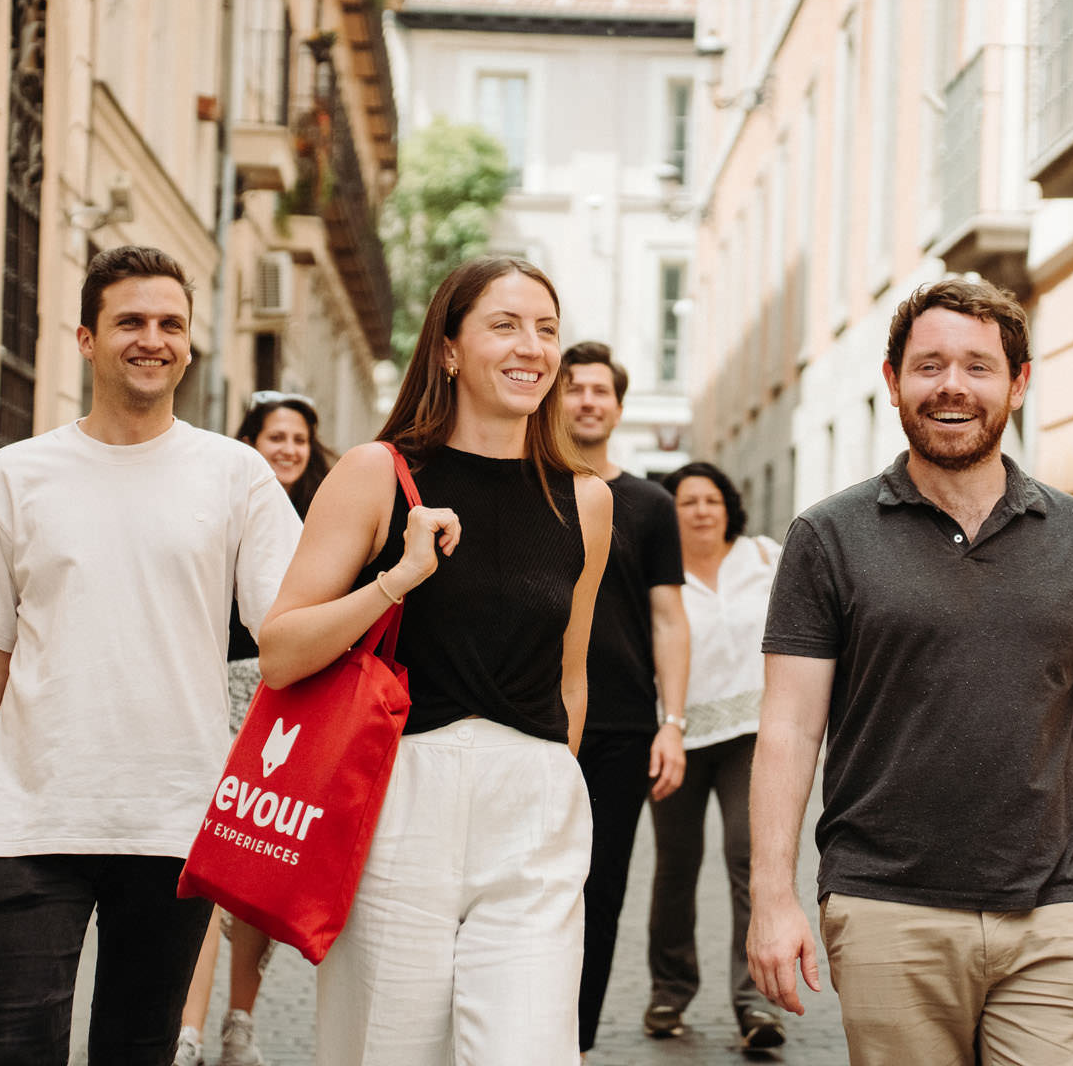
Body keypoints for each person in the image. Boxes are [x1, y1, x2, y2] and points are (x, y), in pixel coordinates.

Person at [747, 277, 1073, 1066]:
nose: (953, 386)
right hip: (886, 906)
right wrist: (771, 896)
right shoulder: (827, 536)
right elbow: (790, 725)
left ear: (1017, 382)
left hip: (1056, 909)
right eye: (930, 365)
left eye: (979, 367)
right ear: (893, 382)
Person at [0, 245, 302, 1064]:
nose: (152, 339)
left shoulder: (236, 476)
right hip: (31, 817)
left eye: (171, 324)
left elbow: (288, 636)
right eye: (129, 321)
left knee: (136, 1051)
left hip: (174, 821)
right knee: (15, 1051)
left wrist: (395, 579)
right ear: (87, 339)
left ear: (190, 343)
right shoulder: (18, 475)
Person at [256, 256, 614, 1065]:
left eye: (547, 329)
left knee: (529, 1052)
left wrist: (552, 778)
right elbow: (279, 651)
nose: (533, 347)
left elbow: (572, 673)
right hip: (397, 797)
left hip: (534, 804)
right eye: (505, 325)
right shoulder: (376, 473)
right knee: (385, 1049)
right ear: (448, 350)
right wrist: (398, 580)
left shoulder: (586, 499)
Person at [174, 391, 338, 1066]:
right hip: (220, 697)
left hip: (289, 709)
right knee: (209, 870)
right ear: (251, 441)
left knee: (255, 874)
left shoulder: (330, 518)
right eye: (277, 437)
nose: (289, 450)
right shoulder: (223, 502)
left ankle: (239, 1022)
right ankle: (185, 1032)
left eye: (299, 439)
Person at [558, 341, 691, 1056]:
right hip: (532, 720)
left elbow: (670, 619)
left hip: (619, 729)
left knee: (598, 892)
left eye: (598, 390)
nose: (585, 400)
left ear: (618, 405)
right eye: (573, 387)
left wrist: (671, 724)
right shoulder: (533, 487)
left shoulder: (649, 504)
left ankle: (573, 1044)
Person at [644, 462, 788, 1051]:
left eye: (711, 499)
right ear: (669, 512)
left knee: (748, 858)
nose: (702, 510)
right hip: (674, 735)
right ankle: (669, 992)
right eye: (687, 502)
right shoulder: (656, 571)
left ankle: (756, 1001)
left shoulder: (763, 558)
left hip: (751, 731)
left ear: (729, 505)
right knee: (676, 866)